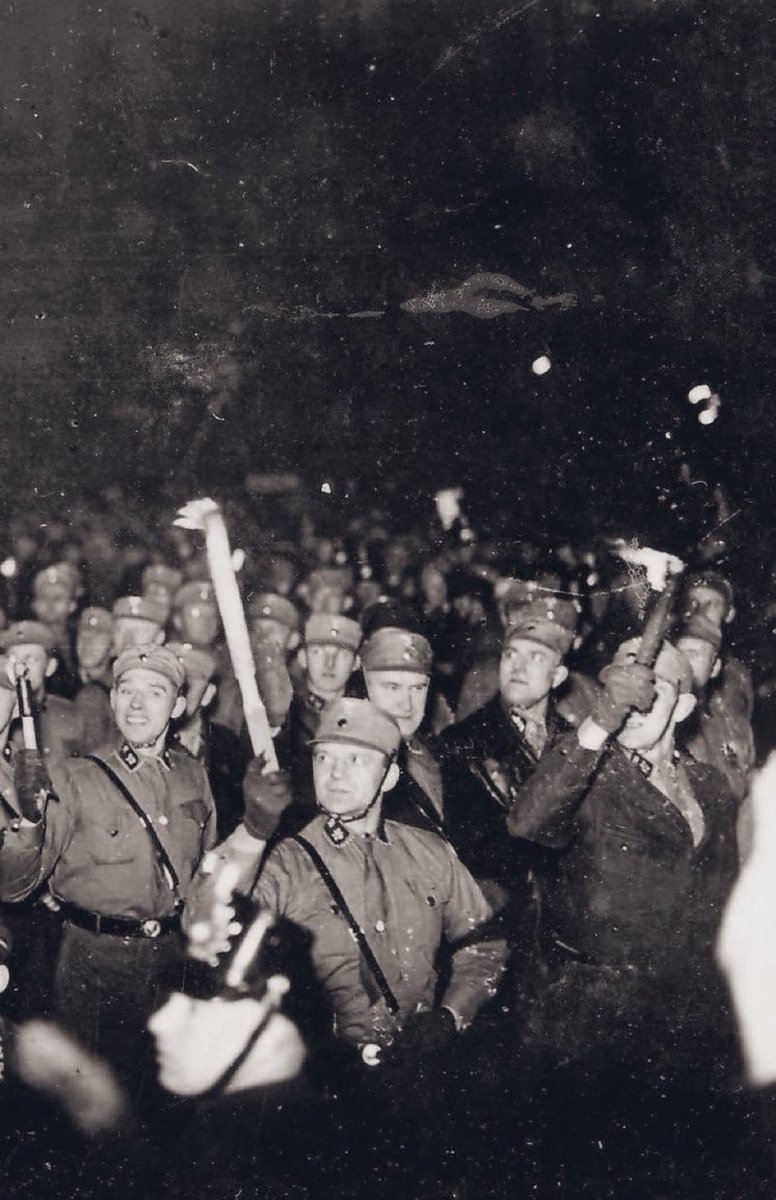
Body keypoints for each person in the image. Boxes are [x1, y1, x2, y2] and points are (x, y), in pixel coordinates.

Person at [508, 638, 740, 1190]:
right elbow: (527, 821)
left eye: (651, 692)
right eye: (622, 691)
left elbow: (722, 901)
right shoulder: (587, 769)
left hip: (683, 1023)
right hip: (589, 1026)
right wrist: (599, 719)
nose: (634, 706)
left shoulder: (711, 787)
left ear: (683, 706)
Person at [0, 644, 217, 1093]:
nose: (136, 704)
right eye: (126, 691)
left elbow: (204, 875)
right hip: (92, 966)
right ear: (112, 700)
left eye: (154, 692)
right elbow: (14, 888)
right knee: (93, 1105)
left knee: (164, 1101)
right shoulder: (75, 777)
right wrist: (29, 821)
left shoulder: (193, 775)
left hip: (171, 962)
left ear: (178, 706)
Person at [436, 599, 575, 919]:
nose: (518, 666)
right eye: (510, 654)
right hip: (500, 915)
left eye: (535, 657)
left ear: (558, 675)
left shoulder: (576, 742)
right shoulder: (462, 743)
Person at [360, 625, 445, 834]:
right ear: (366, 687)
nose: (407, 705)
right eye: (393, 688)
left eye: (417, 688)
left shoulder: (436, 753)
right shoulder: (352, 762)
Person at [166, 641, 249, 839]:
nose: (178, 696)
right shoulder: (147, 743)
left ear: (208, 695)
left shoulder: (228, 746)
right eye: (170, 685)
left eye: (187, 687)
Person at [281, 613, 361, 809]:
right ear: (302, 658)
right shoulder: (284, 717)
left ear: (356, 663)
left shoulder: (365, 718)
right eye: (318, 652)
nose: (329, 663)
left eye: (341, 655)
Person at [2, 621, 85, 766]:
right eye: (13, 658)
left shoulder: (71, 715)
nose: (20, 667)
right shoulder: (2, 717)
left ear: (50, 667)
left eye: (31, 659)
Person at [30, 562, 81, 698]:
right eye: (44, 597)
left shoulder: (81, 638)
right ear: (34, 604)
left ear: (72, 604)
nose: (50, 604)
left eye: (58, 598)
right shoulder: (28, 641)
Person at [73, 606, 115, 753]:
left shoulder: (113, 692)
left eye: (98, 637)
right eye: (83, 635)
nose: (88, 643)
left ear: (113, 647)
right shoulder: (60, 683)